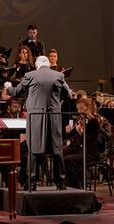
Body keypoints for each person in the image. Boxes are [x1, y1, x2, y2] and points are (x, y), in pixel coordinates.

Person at [11, 55, 72, 189]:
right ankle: (61, 183)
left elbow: (16, 92)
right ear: (48, 64)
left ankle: (31, 182)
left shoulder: (30, 75)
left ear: (36, 65)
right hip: (54, 118)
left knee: (34, 149)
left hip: (36, 118)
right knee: (57, 150)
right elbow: (68, 94)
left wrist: (8, 87)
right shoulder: (59, 76)